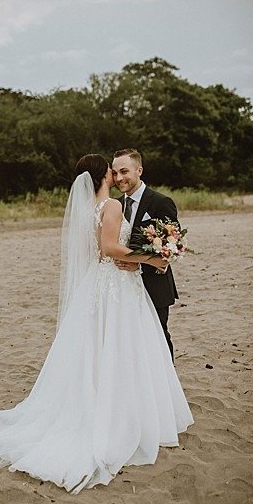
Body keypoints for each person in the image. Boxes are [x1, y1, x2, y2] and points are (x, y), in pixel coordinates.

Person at [0, 154, 193, 492]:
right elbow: (110, 248)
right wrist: (151, 257)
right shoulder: (110, 207)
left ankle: (130, 408)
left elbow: (101, 250)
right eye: (113, 169)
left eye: (122, 168)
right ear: (104, 174)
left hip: (102, 284)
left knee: (107, 348)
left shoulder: (90, 209)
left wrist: (152, 258)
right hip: (116, 285)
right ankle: (125, 415)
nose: (117, 173)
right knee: (122, 345)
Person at [113, 148, 179, 359]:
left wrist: (139, 264)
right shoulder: (115, 205)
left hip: (154, 285)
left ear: (139, 170)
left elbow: (171, 249)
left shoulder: (161, 202)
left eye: (124, 171)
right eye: (115, 173)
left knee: (158, 338)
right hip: (123, 287)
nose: (119, 178)